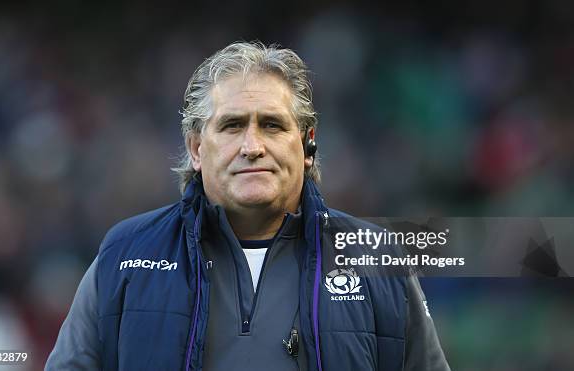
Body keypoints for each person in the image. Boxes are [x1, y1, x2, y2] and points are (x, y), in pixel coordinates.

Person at [46, 41, 451, 371]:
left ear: (308, 144)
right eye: (232, 125)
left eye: (272, 125)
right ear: (196, 148)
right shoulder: (126, 254)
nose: (252, 147)